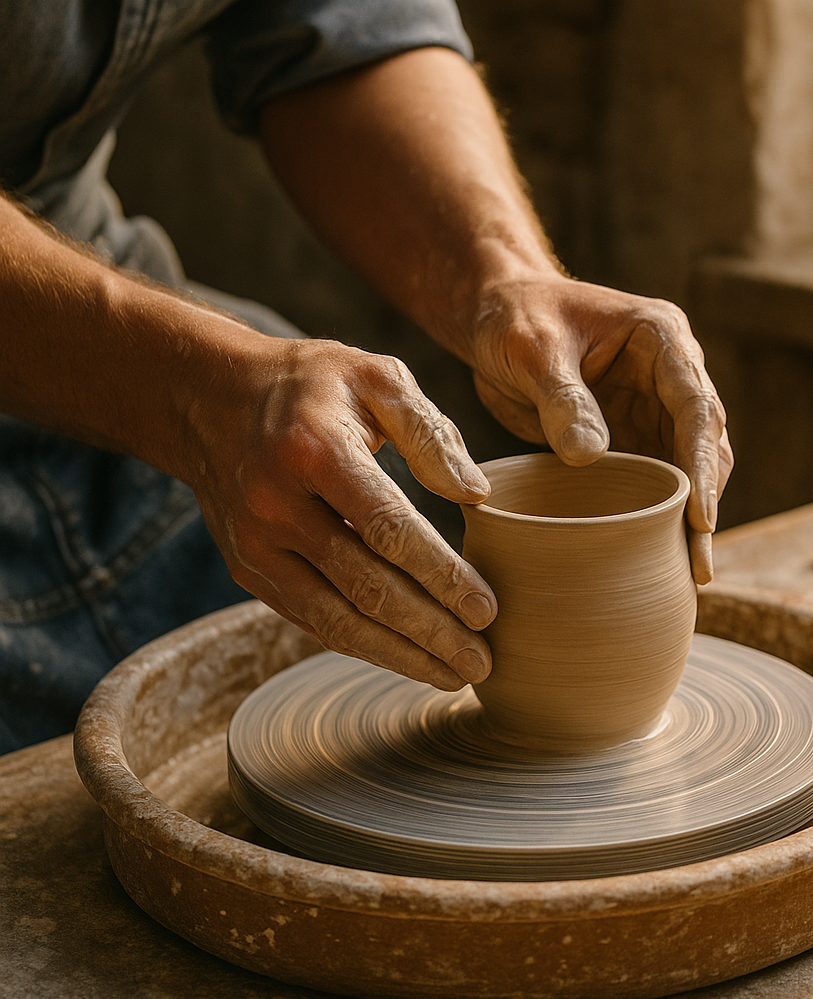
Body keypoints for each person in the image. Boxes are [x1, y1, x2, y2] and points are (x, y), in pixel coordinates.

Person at [0, 1, 733, 754]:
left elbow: (342, 33)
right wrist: (190, 394)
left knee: (375, 528)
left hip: (94, 271)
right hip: (64, 325)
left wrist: (502, 280)